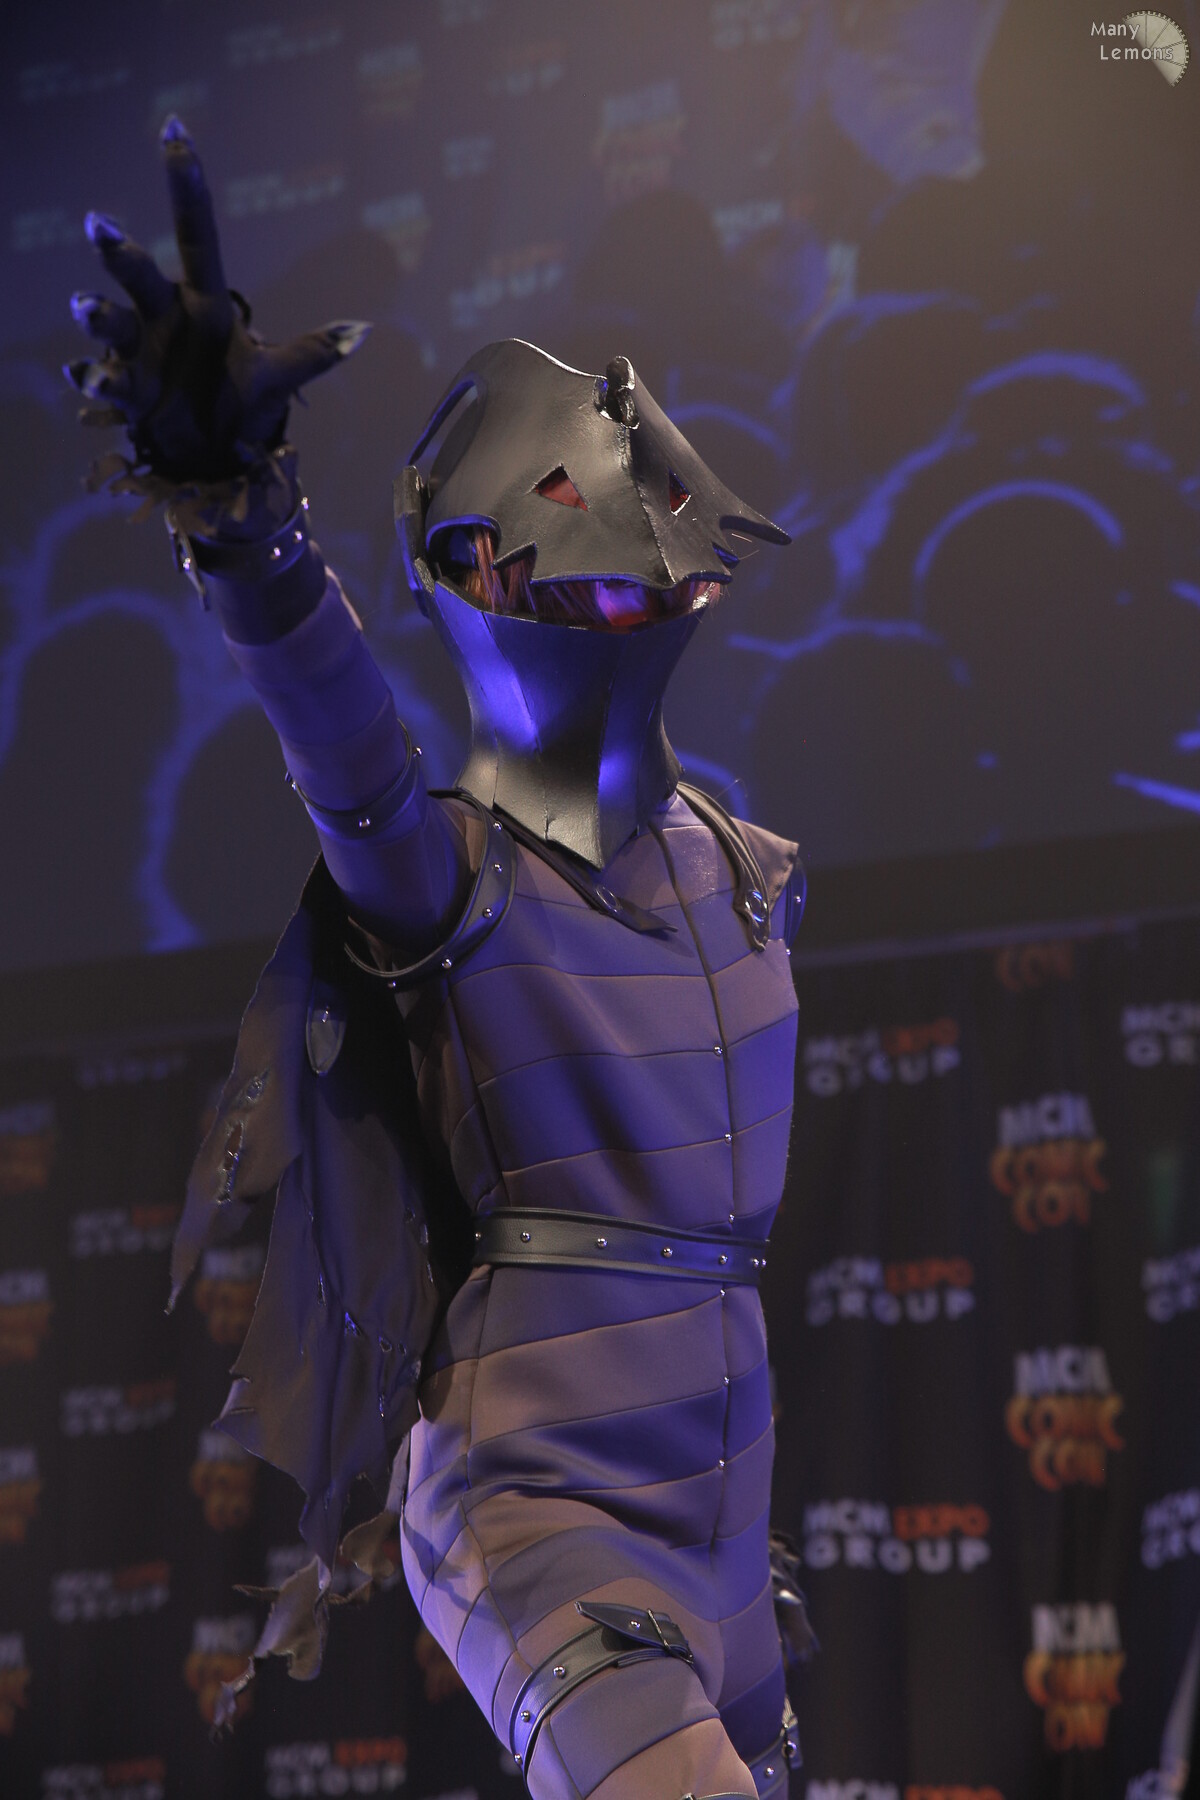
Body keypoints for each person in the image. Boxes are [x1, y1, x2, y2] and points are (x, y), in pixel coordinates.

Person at [67, 119, 809, 1800]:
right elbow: (345, 754)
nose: (635, 590)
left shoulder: (745, 869)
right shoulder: (453, 877)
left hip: (724, 1496)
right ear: (486, 575)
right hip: (538, 1498)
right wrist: (248, 533)